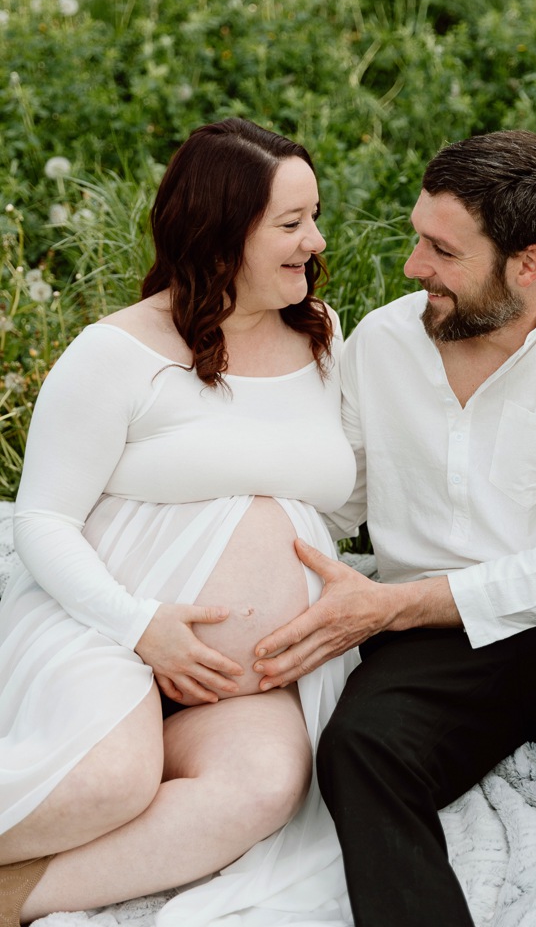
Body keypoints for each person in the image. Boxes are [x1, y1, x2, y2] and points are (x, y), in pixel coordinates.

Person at [254, 130, 536, 927]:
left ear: (528, 263)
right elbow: (335, 503)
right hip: (429, 644)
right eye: (417, 236)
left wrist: (391, 605)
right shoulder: (383, 343)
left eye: (441, 250)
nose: (412, 266)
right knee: (358, 749)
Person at [0, 117, 359, 927]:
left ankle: (13, 898)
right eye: (291, 224)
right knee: (108, 783)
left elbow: (347, 495)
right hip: (104, 622)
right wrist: (140, 627)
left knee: (265, 786)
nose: (316, 239)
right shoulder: (115, 353)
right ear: (222, 233)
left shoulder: (326, 335)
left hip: (241, 676)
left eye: (314, 215)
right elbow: (43, 519)